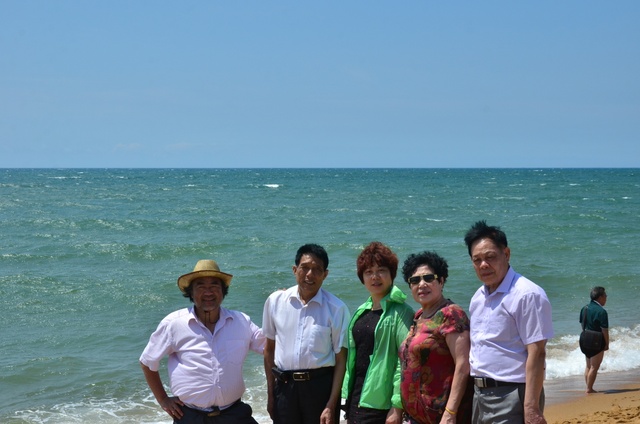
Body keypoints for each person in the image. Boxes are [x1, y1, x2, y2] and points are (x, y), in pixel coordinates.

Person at [140, 259, 265, 424]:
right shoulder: (174, 324)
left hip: (234, 414)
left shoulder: (241, 321)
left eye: (214, 285)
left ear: (223, 291)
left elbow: (270, 346)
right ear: (191, 293)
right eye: (201, 286)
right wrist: (163, 399)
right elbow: (147, 362)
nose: (208, 292)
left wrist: (282, 309)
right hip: (190, 416)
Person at [464, 221, 553, 424]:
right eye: (477, 260)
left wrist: (531, 409)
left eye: (490, 257)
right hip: (480, 395)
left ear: (506, 254)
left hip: (512, 394)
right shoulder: (478, 297)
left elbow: (537, 353)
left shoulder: (527, 294)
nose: (483, 265)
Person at [262, 243, 350, 424]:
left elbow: (341, 360)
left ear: (325, 274)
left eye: (317, 269)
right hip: (285, 388)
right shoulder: (275, 301)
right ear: (295, 270)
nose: (310, 274)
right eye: (305, 267)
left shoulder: (336, 308)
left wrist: (331, 405)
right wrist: (271, 395)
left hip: (320, 389)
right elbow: (269, 350)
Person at [341, 242, 415, 424]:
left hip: (381, 404)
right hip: (356, 398)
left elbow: (404, 362)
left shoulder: (401, 312)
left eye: (381, 270)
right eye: (368, 272)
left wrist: (396, 406)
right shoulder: (362, 310)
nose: (375, 277)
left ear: (392, 274)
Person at [399, 251, 472, 424]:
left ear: (441, 281)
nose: (421, 284)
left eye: (428, 278)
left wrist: (450, 412)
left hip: (441, 417)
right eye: (415, 280)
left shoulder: (451, 314)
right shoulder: (419, 316)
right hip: (415, 417)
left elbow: (463, 365)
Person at [579, 286, 609, 393]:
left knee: (588, 366)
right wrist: (606, 344)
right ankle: (589, 389)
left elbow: (582, 324)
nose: (606, 298)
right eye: (605, 295)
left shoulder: (584, 308)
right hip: (596, 340)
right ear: (600, 297)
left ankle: (588, 387)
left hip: (584, 338)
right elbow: (604, 330)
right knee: (594, 367)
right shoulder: (602, 311)